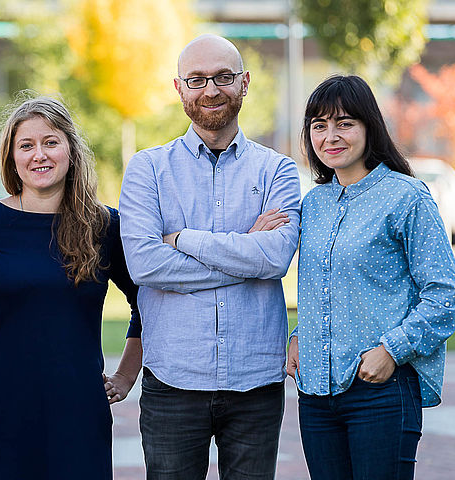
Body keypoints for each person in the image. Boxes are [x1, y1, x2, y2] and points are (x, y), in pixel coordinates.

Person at [118, 34, 301, 479]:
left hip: (256, 380)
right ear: (179, 87)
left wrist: (181, 239)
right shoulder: (148, 169)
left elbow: (275, 259)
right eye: (197, 80)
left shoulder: (278, 170)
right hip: (173, 380)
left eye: (223, 76)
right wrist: (245, 249)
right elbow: (145, 265)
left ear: (245, 83)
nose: (211, 90)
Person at [0, 95, 142, 479]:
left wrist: (125, 375)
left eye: (51, 142)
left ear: (70, 149)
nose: (39, 155)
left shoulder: (103, 225)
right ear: (12, 157)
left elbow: (149, 301)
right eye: (27, 145)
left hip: (78, 410)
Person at [287, 75, 455, 480]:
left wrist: (392, 350)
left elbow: (444, 295)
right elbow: (327, 287)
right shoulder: (313, 204)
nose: (330, 135)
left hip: (381, 391)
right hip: (315, 394)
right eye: (319, 125)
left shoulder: (407, 197)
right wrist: (301, 332)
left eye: (344, 123)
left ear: (369, 126)